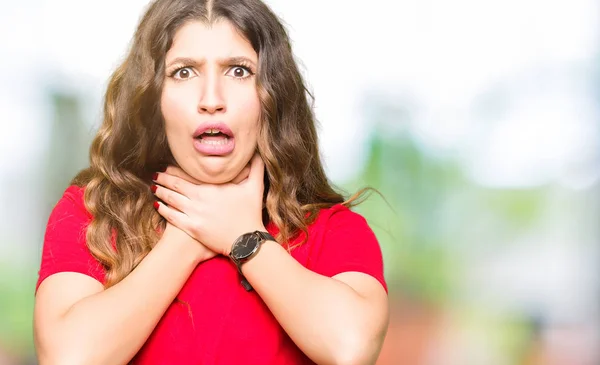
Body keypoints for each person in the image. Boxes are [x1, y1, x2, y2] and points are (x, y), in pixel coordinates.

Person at [33, 0, 389, 364]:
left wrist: (243, 236)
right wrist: (189, 236)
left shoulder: (334, 231)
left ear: (273, 95)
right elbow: (69, 357)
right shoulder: (92, 214)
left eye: (238, 71)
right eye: (184, 72)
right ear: (153, 98)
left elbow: (351, 348)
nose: (212, 100)